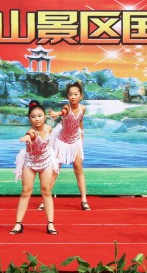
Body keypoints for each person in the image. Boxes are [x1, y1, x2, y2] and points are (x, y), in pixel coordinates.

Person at [10, 100, 61, 235]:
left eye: (39, 116)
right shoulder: (31, 131)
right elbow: (30, 135)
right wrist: (27, 138)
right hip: (31, 163)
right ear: (29, 119)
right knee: (26, 191)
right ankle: (18, 224)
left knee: (46, 191)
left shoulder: (49, 128)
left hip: (46, 162)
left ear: (45, 116)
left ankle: (50, 224)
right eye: (33, 117)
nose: (37, 119)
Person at [47, 81, 89, 210]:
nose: (73, 97)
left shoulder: (83, 108)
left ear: (81, 96)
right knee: (55, 170)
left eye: (76, 94)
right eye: (70, 94)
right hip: (62, 142)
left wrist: (81, 138)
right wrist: (56, 114)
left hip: (75, 141)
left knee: (78, 169)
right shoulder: (66, 107)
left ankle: (84, 201)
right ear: (67, 96)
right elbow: (63, 112)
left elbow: (80, 123)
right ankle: (45, 200)